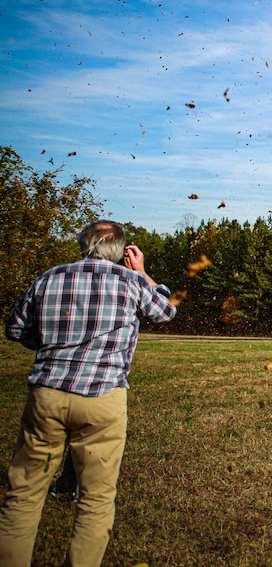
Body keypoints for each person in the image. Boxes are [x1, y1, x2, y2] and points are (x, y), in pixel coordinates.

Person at [0, 221, 177, 567]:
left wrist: (49, 346)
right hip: (103, 398)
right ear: (121, 250)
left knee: (22, 495)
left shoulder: (49, 277)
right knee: (96, 499)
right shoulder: (131, 281)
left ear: (84, 244)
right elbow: (165, 311)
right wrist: (143, 271)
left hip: (47, 394)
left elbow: (15, 327)